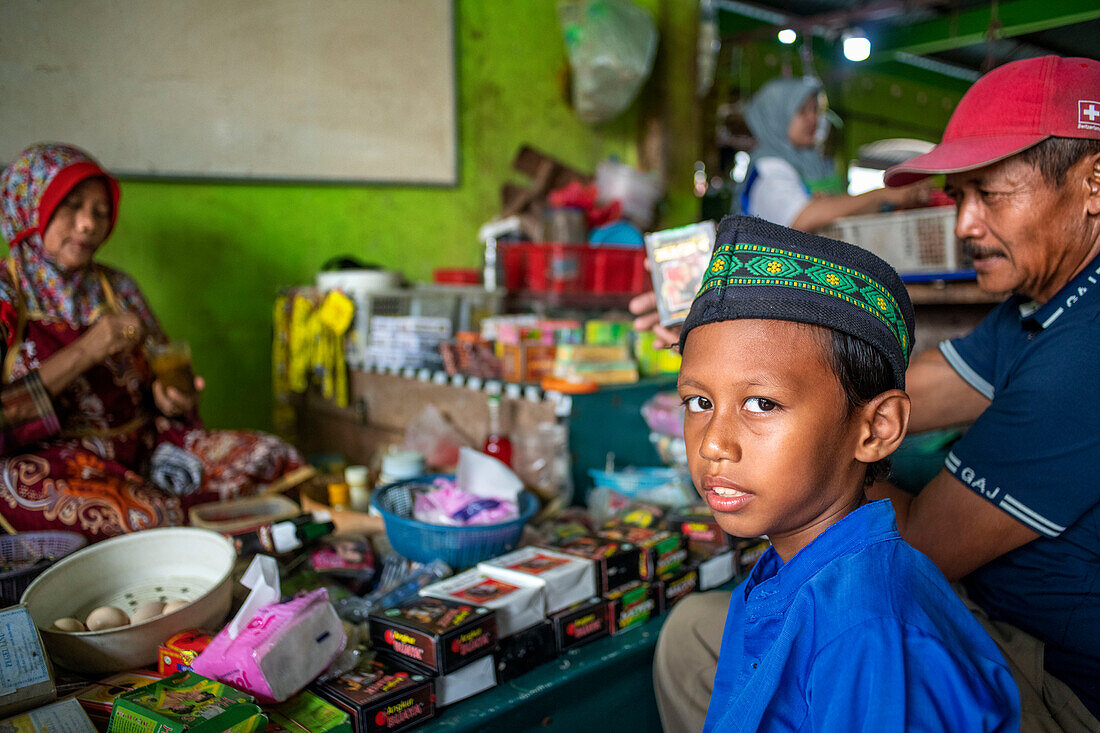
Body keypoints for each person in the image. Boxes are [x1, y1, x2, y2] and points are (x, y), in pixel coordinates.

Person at [650, 55, 1100, 732]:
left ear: (1094, 184)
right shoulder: (1042, 304)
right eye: (959, 196)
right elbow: (887, 392)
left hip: (1061, 684)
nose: (967, 225)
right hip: (985, 617)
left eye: (992, 194)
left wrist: (795, 442)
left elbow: (914, 523)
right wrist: (739, 339)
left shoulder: (1087, 350)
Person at [677, 215, 1019, 731]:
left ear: (877, 427)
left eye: (762, 404)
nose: (713, 443)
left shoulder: (864, 632)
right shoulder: (790, 567)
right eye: (699, 401)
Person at [0, 142, 304, 540]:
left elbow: (161, 378)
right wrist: (88, 349)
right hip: (47, 463)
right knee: (148, 517)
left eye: (100, 212)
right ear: (30, 206)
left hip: (142, 448)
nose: (89, 224)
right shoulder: (7, 295)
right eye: (71, 205)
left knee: (273, 457)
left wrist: (170, 400)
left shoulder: (118, 289)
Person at [737, 75, 928, 232]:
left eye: (814, 110)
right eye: (802, 112)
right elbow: (800, 218)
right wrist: (879, 195)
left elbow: (844, 211)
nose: (813, 119)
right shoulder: (768, 169)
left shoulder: (812, 165)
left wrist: (895, 199)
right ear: (776, 117)